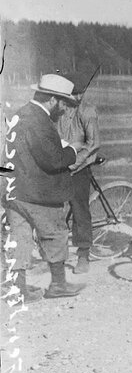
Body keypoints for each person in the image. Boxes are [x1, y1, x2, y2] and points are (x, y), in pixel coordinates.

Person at [6, 74, 86, 301]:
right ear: (53, 100)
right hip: (38, 193)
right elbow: (52, 160)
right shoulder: (39, 121)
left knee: (20, 238)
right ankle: (58, 285)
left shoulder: (21, 114)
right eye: (64, 103)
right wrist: (72, 149)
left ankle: (18, 290)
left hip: (14, 190)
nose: (64, 109)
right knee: (55, 234)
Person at [56, 78, 100, 274]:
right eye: (73, 93)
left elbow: (93, 143)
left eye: (80, 93)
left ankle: (83, 255)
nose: (77, 97)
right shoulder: (60, 110)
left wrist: (73, 164)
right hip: (60, 164)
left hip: (79, 166)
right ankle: (55, 251)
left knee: (79, 209)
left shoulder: (87, 111)